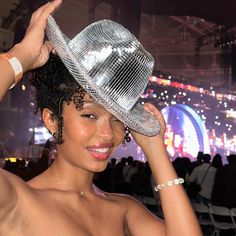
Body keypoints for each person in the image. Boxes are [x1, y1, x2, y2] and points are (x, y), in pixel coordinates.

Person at [0, 0, 202, 235]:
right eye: (89, 114)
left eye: (117, 119)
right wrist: (20, 57)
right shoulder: (16, 202)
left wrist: (155, 151)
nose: (108, 133)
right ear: (52, 120)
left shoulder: (123, 209)